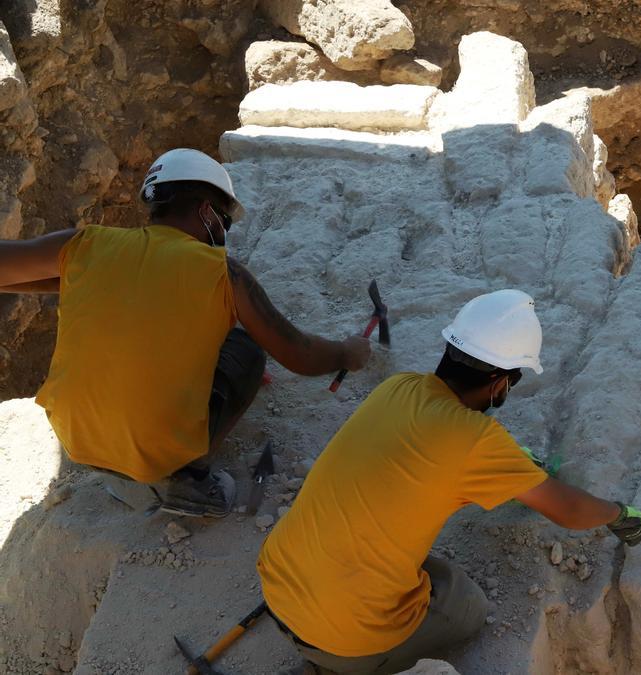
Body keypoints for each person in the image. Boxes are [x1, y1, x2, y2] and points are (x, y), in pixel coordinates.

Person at [257, 289, 641, 675]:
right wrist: (619, 514)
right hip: (343, 640)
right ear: (499, 383)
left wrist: (509, 462)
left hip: (277, 584)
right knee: (465, 604)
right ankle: (350, 663)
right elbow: (569, 510)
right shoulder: (476, 440)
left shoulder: (399, 386)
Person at [0, 148, 371, 518]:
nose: (223, 232)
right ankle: (187, 475)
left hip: (77, 442)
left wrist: (79, 277)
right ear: (207, 212)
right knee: (246, 349)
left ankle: (129, 459)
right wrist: (346, 353)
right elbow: (300, 355)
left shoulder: (84, 245)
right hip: (155, 455)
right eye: (224, 221)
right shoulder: (225, 275)